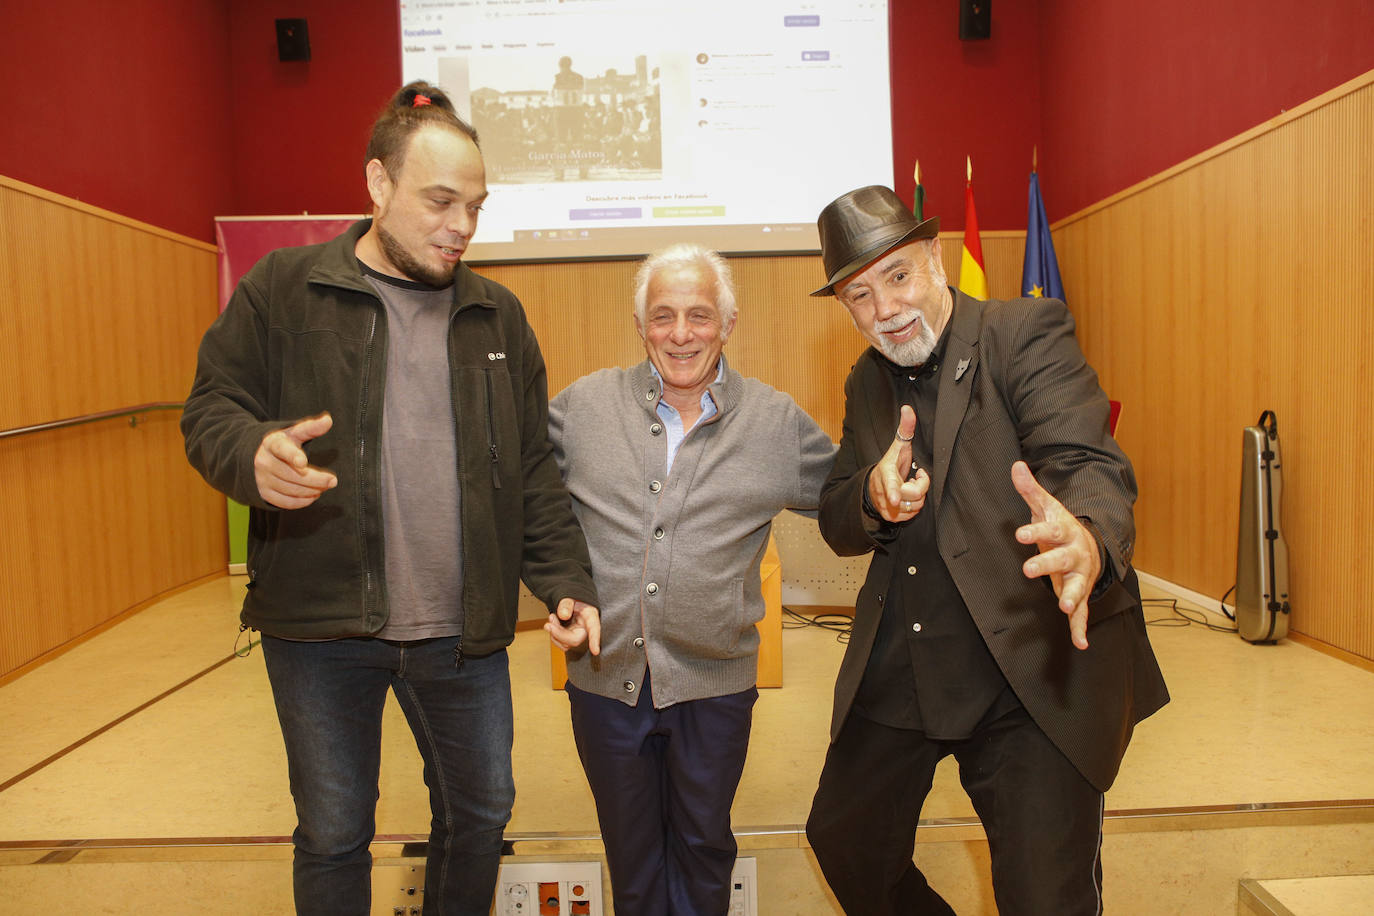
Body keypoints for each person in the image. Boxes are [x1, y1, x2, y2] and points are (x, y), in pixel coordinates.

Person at [180, 81, 601, 916]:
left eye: (475, 207)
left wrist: (565, 581)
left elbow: (530, 470)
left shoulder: (498, 316)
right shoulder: (284, 288)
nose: (461, 226)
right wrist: (248, 454)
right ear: (378, 183)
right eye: (440, 201)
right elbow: (211, 410)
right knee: (335, 831)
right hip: (320, 628)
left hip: (463, 631)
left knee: (481, 814)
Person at [803, 185, 1169, 915]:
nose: (885, 309)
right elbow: (837, 514)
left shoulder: (1022, 333)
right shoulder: (865, 381)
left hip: (1027, 661)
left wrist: (1088, 540)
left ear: (936, 258)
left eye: (898, 276)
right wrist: (872, 497)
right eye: (859, 296)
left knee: (1043, 898)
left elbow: (1087, 463)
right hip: (908, 657)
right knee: (845, 841)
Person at [545, 244, 836, 915]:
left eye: (699, 315)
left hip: (717, 686)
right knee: (632, 854)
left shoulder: (775, 422)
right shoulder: (582, 407)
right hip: (604, 681)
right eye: (663, 316)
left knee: (705, 847)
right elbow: (528, 501)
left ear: (727, 325)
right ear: (640, 325)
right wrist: (557, 586)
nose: (681, 334)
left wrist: (899, 489)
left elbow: (851, 499)